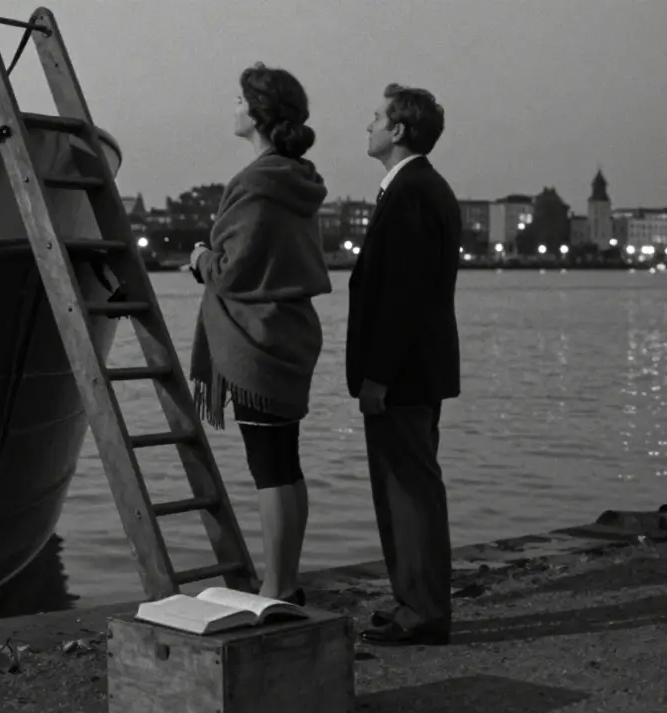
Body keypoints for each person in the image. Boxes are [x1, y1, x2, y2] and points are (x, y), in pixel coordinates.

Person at [187, 62, 332, 605]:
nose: (232, 107)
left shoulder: (256, 182)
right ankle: (286, 582)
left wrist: (201, 258)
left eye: (238, 100)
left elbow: (235, 269)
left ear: (256, 113)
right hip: (290, 334)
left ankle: (275, 586)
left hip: (255, 341)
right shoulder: (299, 180)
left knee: (269, 469)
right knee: (284, 464)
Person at [346, 83, 462, 646]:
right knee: (402, 487)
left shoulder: (412, 193)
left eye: (375, 118)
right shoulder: (419, 188)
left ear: (398, 131)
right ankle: (411, 599)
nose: (366, 125)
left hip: (403, 376)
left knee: (409, 489)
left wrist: (378, 376)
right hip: (415, 371)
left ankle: (422, 610)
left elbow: (402, 296)